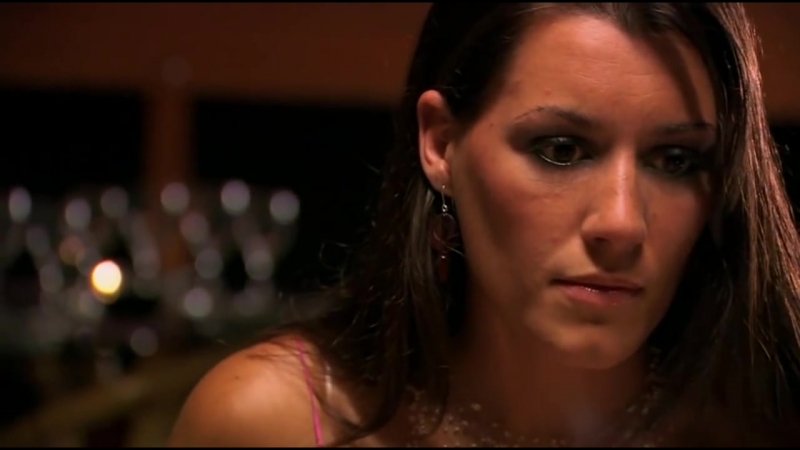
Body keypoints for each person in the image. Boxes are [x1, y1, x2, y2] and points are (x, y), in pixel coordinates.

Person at [168, 3, 800, 447]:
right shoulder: (274, 423)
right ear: (441, 143)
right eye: (561, 150)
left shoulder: (762, 427)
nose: (621, 221)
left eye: (676, 160)